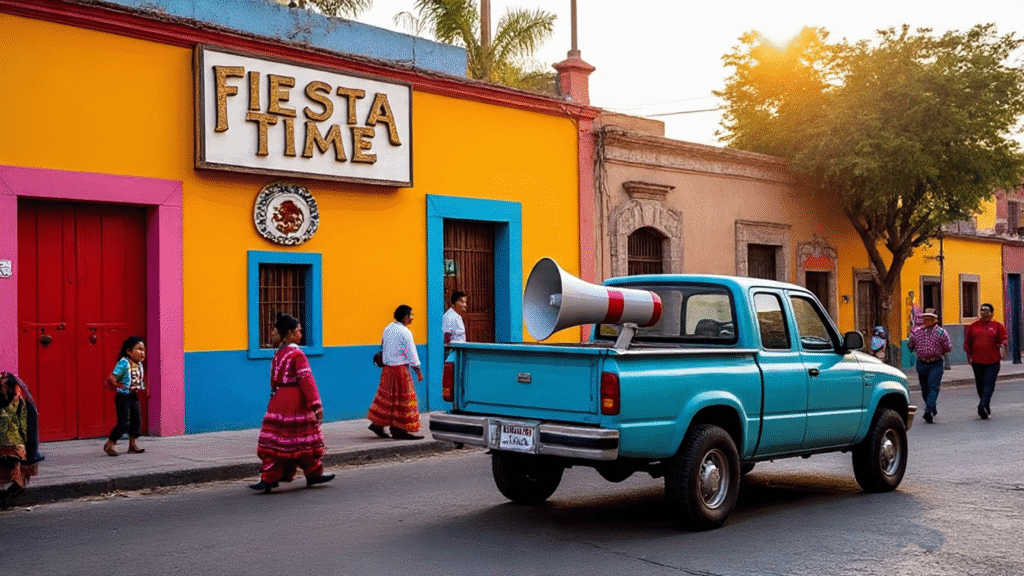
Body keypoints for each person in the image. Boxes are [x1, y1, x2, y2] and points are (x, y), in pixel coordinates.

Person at [251, 314, 334, 493]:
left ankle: (271, 476)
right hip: (295, 401)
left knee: (279, 440)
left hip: (279, 399)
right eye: (298, 331)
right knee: (302, 441)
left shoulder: (279, 353)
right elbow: (306, 379)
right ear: (290, 333)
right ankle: (312, 473)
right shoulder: (297, 354)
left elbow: (273, 380)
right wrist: (315, 404)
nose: (300, 334)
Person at [367, 304, 424, 440]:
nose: (412, 318)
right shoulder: (405, 332)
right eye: (410, 315)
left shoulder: (388, 328)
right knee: (402, 399)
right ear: (405, 317)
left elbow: (383, 346)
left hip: (387, 370)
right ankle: (399, 429)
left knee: (387, 398)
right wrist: (417, 369)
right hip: (400, 370)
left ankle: (378, 424)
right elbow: (411, 353)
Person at [0, 372, 41, 509]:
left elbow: (27, 428)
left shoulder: (21, 404)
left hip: (15, 444)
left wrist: (30, 452)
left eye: (3, 386)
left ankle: (13, 487)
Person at [102, 336, 148, 457]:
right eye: (139, 349)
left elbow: (139, 379)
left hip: (134, 396)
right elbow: (111, 379)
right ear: (128, 351)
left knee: (136, 421)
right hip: (123, 397)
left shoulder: (139, 364)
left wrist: (145, 390)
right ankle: (111, 443)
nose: (143, 353)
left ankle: (132, 444)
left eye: (144, 350)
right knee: (124, 423)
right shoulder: (124, 363)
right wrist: (121, 387)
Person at [907, 308, 952, 424]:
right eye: (924, 318)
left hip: (935, 363)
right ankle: (932, 407)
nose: (926, 320)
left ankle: (928, 410)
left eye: (929, 318)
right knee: (924, 388)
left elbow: (948, 347)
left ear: (935, 320)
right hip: (922, 363)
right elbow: (910, 345)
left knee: (933, 386)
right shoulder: (916, 332)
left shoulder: (941, 332)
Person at [964, 303, 1007, 420]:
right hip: (977, 361)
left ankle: (982, 405)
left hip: (993, 361)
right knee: (980, 385)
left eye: (987, 311)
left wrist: (1003, 345)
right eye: (982, 311)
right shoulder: (973, 326)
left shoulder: (997, 326)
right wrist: (969, 354)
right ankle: (985, 404)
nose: (984, 313)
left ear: (992, 313)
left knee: (989, 383)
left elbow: (1003, 338)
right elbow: (968, 342)